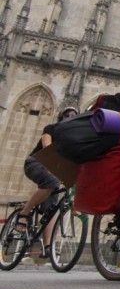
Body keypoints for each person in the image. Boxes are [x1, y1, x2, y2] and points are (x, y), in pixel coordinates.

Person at [15, 106, 79, 258]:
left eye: (74, 114)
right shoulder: (51, 129)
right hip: (36, 163)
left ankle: (48, 246)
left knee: (51, 209)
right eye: (67, 113)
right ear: (61, 116)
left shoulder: (72, 140)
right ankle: (23, 214)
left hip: (54, 171)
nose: (70, 116)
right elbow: (47, 146)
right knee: (51, 183)